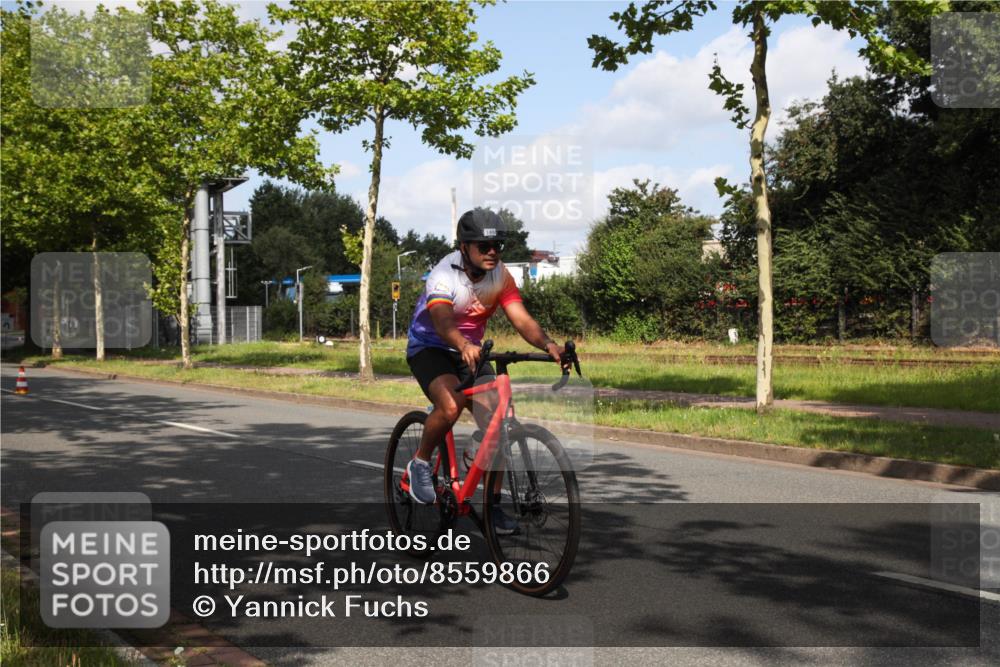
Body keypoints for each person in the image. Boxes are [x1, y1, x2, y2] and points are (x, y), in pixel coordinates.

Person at [405, 209, 565, 534]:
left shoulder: (500, 275)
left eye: (498, 246)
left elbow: (520, 318)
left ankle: (492, 507)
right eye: (484, 246)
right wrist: (462, 344)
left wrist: (549, 345)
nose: (492, 252)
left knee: (501, 425)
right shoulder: (443, 275)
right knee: (450, 405)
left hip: (472, 353)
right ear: (464, 247)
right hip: (431, 348)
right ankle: (420, 463)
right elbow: (443, 321)